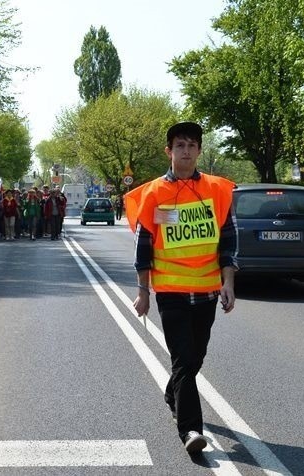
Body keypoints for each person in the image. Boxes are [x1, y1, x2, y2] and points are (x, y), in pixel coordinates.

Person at [124, 122, 238, 455]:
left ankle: (173, 394)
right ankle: (190, 430)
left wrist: (228, 282)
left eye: (191, 145)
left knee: (195, 357)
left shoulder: (217, 191)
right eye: (179, 145)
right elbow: (143, 245)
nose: (185, 151)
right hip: (171, 292)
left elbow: (228, 241)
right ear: (169, 151)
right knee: (184, 358)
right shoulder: (155, 193)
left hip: (206, 291)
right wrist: (143, 292)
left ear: (199, 151)